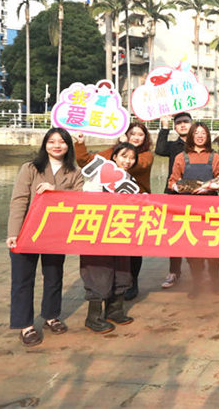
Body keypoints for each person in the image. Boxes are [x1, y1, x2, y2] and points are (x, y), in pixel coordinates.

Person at [7, 127, 84, 347]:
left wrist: (55, 190)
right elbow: (19, 200)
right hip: (27, 232)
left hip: (54, 234)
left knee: (53, 276)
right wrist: (13, 233)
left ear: (68, 146)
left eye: (62, 141)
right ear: (45, 145)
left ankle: (51, 315)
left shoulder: (75, 172)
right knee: (22, 280)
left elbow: (80, 198)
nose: (57, 145)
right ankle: (25, 325)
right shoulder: (30, 168)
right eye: (51, 141)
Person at [75, 122, 153, 301]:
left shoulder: (146, 155)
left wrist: (123, 152)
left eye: (140, 134)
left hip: (136, 205)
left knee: (134, 246)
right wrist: (80, 143)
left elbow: (136, 165)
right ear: (125, 134)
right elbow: (86, 160)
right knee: (115, 244)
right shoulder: (113, 152)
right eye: (132, 133)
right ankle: (110, 285)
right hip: (111, 207)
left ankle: (132, 282)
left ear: (145, 138)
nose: (136, 137)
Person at [80, 142, 140, 334]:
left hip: (120, 231)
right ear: (114, 157)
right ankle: (93, 318)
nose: (128, 161)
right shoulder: (99, 174)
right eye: (124, 156)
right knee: (99, 273)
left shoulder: (130, 180)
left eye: (132, 158)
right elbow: (88, 199)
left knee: (122, 271)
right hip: (97, 231)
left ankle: (114, 311)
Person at [168, 122, 219, 298]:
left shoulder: (215, 157)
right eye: (196, 133)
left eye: (203, 133)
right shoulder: (181, 157)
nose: (200, 136)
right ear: (191, 135)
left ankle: (215, 282)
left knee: (213, 248)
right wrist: (183, 187)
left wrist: (210, 188)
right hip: (189, 210)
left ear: (207, 136)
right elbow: (172, 182)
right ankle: (196, 284)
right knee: (193, 250)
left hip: (211, 209)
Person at [155, 112, 192, 289]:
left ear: (192, 124)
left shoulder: (200, 144)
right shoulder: (172, 146)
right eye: (179, 123)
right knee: (174, 235)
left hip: (195, 195)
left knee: (195, 234)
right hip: (174, 194)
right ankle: (174, 271)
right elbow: (159, 149)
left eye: (186, 122)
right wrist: (164, 126)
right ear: (175, 127)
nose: (183, 125)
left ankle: (197, 272)